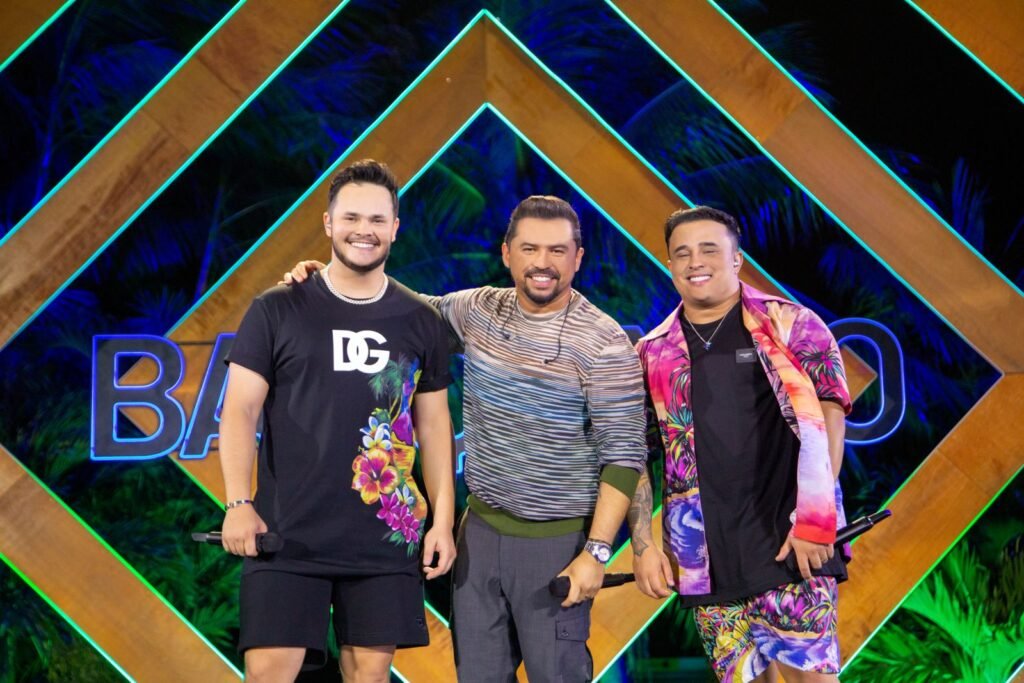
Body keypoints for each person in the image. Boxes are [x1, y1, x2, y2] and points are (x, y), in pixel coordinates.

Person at [287, 195, 648, 682]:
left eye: (558, 251)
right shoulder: (478, 310)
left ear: (578, 258)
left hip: (556, 542)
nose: (542, 263)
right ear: (507, 253)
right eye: (530, 249)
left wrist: (597, 553)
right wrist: (332, 282)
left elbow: (624, 458)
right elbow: (400, 313)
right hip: (478, 537)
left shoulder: (604, 342)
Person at [219, 159, 456, 683]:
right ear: (328, 223)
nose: (363, 230)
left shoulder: (422, 319)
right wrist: (237, 503)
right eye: (351, 217)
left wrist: (441, 521)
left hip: (382, 538)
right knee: (267, 674)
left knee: (369, 676)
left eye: (377, 220)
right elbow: (238, 410)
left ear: (395, 228)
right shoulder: (277, 308)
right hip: (285, 533)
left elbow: (435, 427)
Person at [628, 206, 851, 682]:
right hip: (706, 561)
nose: (695, 261)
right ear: (669, 265)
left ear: (737, 259)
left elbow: (830, 417)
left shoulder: (791, 323)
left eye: (709, 249)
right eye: (682, 253)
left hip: (791, 544)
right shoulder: (651, 352)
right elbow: (634, 455)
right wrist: (643, 546)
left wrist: (815, 521)